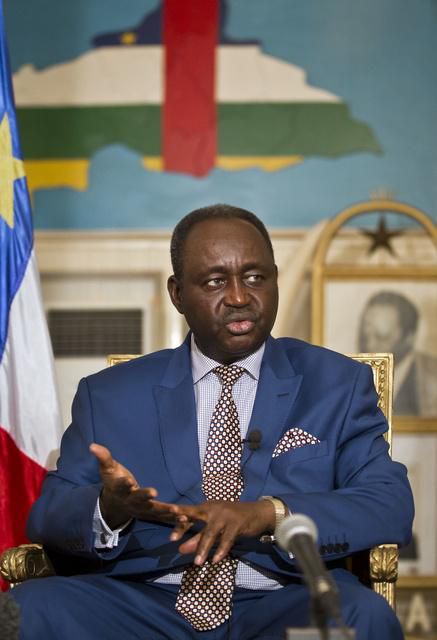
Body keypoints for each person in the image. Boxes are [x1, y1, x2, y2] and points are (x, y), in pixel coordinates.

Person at [12, 204, 413, 640]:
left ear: (275, 280)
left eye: (255, 277)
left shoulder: (336, 384)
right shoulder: (109, 394)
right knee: (27, 610)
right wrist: (109, 509)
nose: (239, 297)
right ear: (177, 294)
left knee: (360, 615)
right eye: (215, 281)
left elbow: (388, 502)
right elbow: (49, 515)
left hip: (283, 599)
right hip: (144, 601)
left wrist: (270, 513)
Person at [358, 290, 437, 416]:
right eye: (365, 336)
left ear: (409, 337)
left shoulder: (432, 378)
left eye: (381, 337)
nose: (370, 345)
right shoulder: (355, 373)